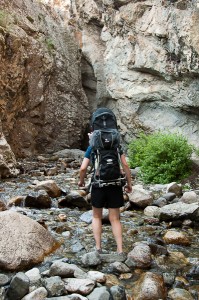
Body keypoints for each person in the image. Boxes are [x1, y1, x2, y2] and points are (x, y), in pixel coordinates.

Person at [78, 136, 132, 254]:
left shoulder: (92, 146)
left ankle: (98, 248)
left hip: (98, 185)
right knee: (115, 219)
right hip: (115, 185)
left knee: (97, 217)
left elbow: (83, 168)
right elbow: (125, 165)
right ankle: (120, 250)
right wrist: (129, 184)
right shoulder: (116, 146)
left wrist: (81, 181)